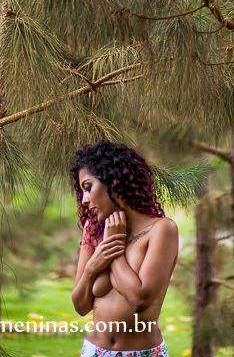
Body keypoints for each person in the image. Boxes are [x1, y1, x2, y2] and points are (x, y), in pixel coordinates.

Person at [71, 140, 179, 357]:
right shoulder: (93, 230)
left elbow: (139, 300)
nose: (84, 200)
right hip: (94, 351)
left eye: (88, 187)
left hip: (143, 353)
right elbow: (80, 306)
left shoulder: (161, 230)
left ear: (113, 182)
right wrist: (93, 266)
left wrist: (114, 247)